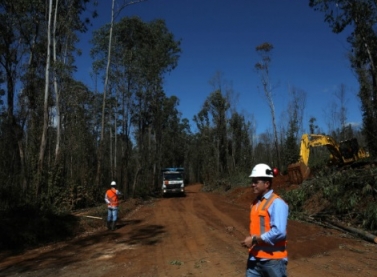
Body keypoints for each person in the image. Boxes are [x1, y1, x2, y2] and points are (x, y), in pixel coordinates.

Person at [241, 163, 289, 277]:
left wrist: (254, 240)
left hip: (273, 262)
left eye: (256, 182)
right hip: (254, 259)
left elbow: (279, 232)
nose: (252, 185)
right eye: (252, 181)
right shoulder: (255, 203)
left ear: (267, 184)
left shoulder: (277, 203)